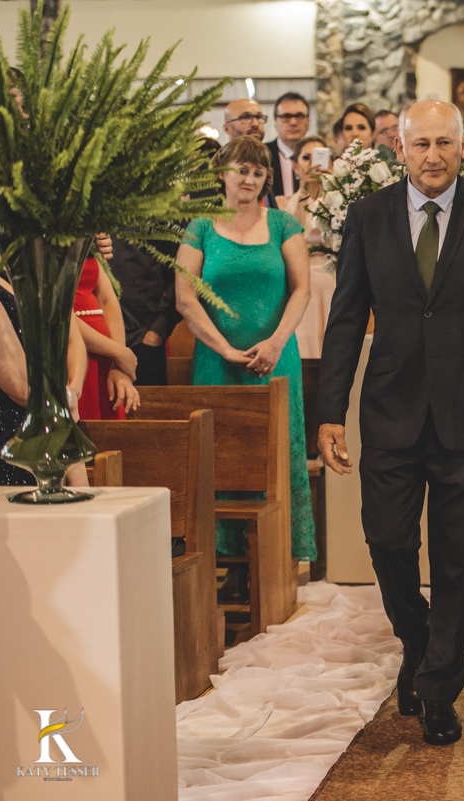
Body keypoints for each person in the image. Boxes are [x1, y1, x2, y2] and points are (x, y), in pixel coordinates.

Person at [317, 99, 464, 748]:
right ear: (398, 149)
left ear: (463, 148)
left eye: (445, 142)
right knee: (387, 543)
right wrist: (329, 410)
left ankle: (438, 688)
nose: (433, 155)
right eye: (421, 144)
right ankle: (418, 638)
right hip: (390, 410)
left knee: (459, 559)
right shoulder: (368, 216)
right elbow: (347, 316)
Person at [175, 136, 316, 578]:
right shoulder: (200, 226)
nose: (250, 179)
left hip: (276, 361)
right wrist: (226, 349)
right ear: (222, 174)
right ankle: (227, 564)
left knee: (279, 454)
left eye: (258, 172)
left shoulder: (282, 224)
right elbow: (185, 297)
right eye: (242, 170)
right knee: (223, 456)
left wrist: (275, 343)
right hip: (217, 363)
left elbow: (302, 289)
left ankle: (278, 562)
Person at [0, 275, 89, 487]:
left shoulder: (22, 265)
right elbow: (20, 387)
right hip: (13, 434)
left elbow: (70, 338)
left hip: (38, 424)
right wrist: (65, 397)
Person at [106, 236, 183, 386]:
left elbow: (182, 275)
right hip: (93, 338)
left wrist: (156, 333)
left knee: (149, 408)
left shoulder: (165, 214)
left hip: (141, 341)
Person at [284, 134, 335, 357]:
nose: (312, 163)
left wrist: (333, 190)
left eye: (320, 157)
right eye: (306, 157)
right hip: (299, 283)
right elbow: (287, 241)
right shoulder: (282, 203)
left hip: (334, 282)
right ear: (295, 165)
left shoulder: (344, 202)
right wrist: (304, 192)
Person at [73, 255, 140, 418]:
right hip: (73, 354)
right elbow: (56, 312)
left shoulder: (85, 236)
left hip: (105, 362)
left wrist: (117, 366)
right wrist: (118, 352)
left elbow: (107, 300)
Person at [268, 92, 311, 202]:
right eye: (286, 117)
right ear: (275, 123)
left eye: (299, 116)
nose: (293, 122)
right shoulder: (263, 155)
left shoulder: (319, 155)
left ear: (308, 122)